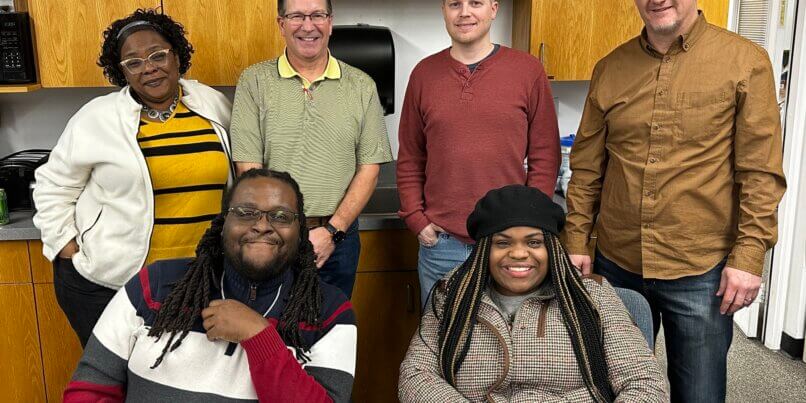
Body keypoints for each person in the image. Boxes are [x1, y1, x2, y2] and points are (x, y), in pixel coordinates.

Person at [562, 1, 787, 401]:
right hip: (618, 263)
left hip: (699, 267)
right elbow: (586, 168)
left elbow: (759, 172)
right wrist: (576, 241)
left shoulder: (745, 62)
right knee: (616, 387)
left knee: (698, 394)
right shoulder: (610, 68)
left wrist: (749, 256)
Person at [64, 169, 357, 402]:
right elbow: (93, 384)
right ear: (222, 223)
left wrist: (259, 336)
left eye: (281, 216)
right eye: (245, 212)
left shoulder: (329, 311)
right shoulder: (154, 285)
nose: (262, 225)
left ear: (300, 230)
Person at [33, 9, 234, 347]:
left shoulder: (212, 104)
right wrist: (65, 245)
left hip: (200, 281)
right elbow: (52, 186)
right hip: (110, 284)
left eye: (158, 55)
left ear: (176, 55)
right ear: (121, 71)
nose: (150, 68)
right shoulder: (96, 118)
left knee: (184, 386)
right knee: (117, 385)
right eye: (134, 62)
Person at [399, 185, 667, 402]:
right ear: (483, 253)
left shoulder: (593, 296)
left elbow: (646, 385)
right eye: (502, 243)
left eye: (534, 242)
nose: (518, 253)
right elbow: (415, 376)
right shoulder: (452, 295)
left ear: (551, 248)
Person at [397, 0, 560, 306]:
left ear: (494, 8)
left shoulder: (527, 70)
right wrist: (417, 220)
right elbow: (410, 157)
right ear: (444, 11)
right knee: (443, 343)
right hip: (442, 245)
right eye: (454, 4)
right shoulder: (424, 74)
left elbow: (545, 156)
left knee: (510, 344)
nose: (465, 13)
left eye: (476, 3)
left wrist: (528, 223)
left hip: (509, 243)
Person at [230, 0, 393, 298]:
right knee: (270, 333)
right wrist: (282, 227)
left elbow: (369, 169)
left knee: (331, 334)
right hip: (271, 235)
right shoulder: (254, 81)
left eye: (317, 15)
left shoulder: (361, 85)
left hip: (338, 240)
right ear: (282, 24)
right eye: (297, 16)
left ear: (330, 22)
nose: (308, 26)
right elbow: (248, 167)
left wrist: (332, 232)